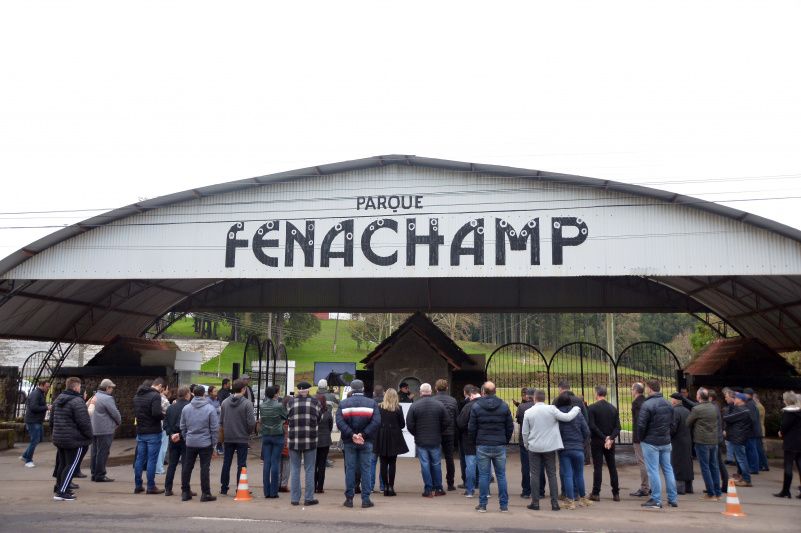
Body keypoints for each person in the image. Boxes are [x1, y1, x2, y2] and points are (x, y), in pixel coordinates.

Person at [522, 389, 580, 512]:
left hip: (534, 447)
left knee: (534, 474)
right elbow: (567, 417)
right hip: (550, 447)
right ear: (544, 398)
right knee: (552, 474)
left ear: (534, 398)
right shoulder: (552, 409)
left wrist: (527, 445)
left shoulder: (528, 412)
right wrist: (576, 408)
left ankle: (535, 502)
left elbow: (525, 432)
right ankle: (554, 503)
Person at [469, 381, 514, 513]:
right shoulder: (504, 406)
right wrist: (504, 439)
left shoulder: (476, 406)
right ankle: (504, 505)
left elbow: (472, 428)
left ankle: (483, 505)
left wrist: (475, 442)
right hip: (499, 444)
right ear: (495, 391)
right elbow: (509, 426)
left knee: (484, 476)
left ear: (483, 392)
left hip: (482, 444)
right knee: (501, 475)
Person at [336, 379, 381, 508]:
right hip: (366, 441)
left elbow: (340, 422)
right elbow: (376, 421)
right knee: (366, 469)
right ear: (362, 388)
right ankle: (366, 499)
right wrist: (363, 434)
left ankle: (349, 499)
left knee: (350, 469)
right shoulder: (371, 403)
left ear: (351, 388)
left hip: (349, 441)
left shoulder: (343, 403)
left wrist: (352, 434)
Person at [637, 378, 678, 510]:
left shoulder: (647, 405)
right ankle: (672, 498)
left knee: (653, 470)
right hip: (665, 441)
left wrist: (642, 438)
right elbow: (673, 424)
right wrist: (667, 435)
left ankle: (656, 499)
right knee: (668, 469)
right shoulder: (668, 404)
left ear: (649, 388)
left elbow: (641, 425)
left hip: (651, 442)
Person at [51, 377, 93, 501]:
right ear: (75, 387)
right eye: (79, 387)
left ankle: (60, 486)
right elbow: (84, 422)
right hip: (74, 439)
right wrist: (89, 435)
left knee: (62, 464)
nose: (80, 389)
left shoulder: (58, 399)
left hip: (59, 438)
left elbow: (52, 420)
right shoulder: (77, 401)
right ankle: (62, 492)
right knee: (71, 465)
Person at [406, 382, 449, 497]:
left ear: (420, 392)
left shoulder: (415, 405)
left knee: (425, 464)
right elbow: (446, 421)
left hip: (421, 440)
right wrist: (439, 431)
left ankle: (428, 489)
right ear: (431, 392)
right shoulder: (439, 405)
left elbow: (409, 424)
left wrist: (416, 434)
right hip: (435, 438)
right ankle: (438, 488)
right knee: (436, 463)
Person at [179, 384, 219, 502]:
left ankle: (185, 492)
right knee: (205, 468)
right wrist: (214, 444)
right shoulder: (210, 408)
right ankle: (205, 493)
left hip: (191, 442)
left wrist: (187, 438)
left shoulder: (186, 408)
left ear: (193, 394)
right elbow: (214, 429)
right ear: (204, 394)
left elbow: (183, 426)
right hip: (205, 442)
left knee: (187, 466)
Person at [287, 381, 322, 506]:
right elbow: (318, 418)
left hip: (294, 439)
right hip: (310, 439)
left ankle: (295, 499)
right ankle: (308, 498)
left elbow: (288, 417)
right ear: (309, 390)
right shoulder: (315, 402)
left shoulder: (290, 402)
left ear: (298, 390)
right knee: (309, 469)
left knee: (295, 469)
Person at [219, 379, 256, 496]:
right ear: (244, 390)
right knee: (241, 463)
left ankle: (224, 488)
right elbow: (251, 422)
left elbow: (221, 421)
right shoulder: (247, 403)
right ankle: (240, 487)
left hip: (228, 436)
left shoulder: (224, 402)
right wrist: (247, 432)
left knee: (226, 462)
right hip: (242, 437)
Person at [685, 387, 722, 501]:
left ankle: (710, 493)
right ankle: (717, 492)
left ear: (699, 397)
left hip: (702, 441)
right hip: (713, 440)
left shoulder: (697, 409)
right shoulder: (714, 407)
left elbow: (687, 423)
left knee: (705, 467)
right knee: (714, 466)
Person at [555, 391, 591, 509]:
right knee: (579, 474)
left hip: (564, 448)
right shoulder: (578, 414)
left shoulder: (558, 415)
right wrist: (581, 442)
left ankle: (570, 501)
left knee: (568, 475)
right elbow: (586, 432)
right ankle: (583, 499)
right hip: (578, 447)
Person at [133, 377, 166, 495]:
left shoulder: (137, 396)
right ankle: (151, 486)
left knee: (139, 459)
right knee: (152, 460)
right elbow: (156, 413)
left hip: (141, 431)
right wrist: (164, 415)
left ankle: (138, 485)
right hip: (153, 431)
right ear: (159, 386)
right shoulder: (155, 396)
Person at [587, 385, 621, 502]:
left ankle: (596, 493)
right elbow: (618, 427)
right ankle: (616, 493)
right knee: (612, 466)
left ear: (596, 394)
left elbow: (592, 426)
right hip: (610, 442)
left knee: (598, 467)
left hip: (597, 441)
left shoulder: (592, 408)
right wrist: (610, 438)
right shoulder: (613, 408)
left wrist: (603, 437)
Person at [375, 388, 409, 496]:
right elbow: (402, 424)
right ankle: (391, 487)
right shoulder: (398, 408)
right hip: (394, 435)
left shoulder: (379, 407)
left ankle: (385, 487)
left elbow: (376, 422)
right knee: (392, 463)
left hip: (382, 435)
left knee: (383, 463)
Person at [89, 379, 121, 483]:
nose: (112, 390)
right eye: (111, 388)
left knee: (94, 452)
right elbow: (114, 413)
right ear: (107, 388)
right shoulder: (107, 398)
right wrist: (118, 422)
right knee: (103, 452)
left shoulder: (94, 396)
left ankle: (94, 473)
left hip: (93, 429)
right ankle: (100, 475)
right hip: (105, 429)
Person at [260, 385, 288, 498]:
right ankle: (274, 491)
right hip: (277, 435)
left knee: (267, 462)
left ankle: (266, 491)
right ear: (275, 394)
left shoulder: (262, 406)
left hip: (266, 434)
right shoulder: (279, 405)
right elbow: (285, 416)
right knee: (275, 462)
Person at [163, 386, 191, 496]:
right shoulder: (189, 407)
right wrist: (179, 434)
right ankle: (185, 489)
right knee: (186, 465)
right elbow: (189, 424)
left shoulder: (170, 408)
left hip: (173, 439)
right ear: (187, 394)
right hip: (185, 439)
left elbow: (165, 424)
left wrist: (171, 434)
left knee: (172, 465)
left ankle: (168, 489)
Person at [433, 378, 459, 491]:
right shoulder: (453, 400)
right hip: (449, 432)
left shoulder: (433, 400)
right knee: (449, 458)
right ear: (447, 387)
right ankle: (450, 483)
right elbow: (457, 417)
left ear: (435, 388)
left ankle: (436, 483)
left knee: (435, 458)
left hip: (436, 432)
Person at [723, 391, 753, 487]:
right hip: (738, 437)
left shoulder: (742, 410)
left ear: (740, 400)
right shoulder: (743, 409)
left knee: (741, 459)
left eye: (735, 398)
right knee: (740, 458)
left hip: (738, 437)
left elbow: (727, 417)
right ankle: (743, 477)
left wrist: (730, 406)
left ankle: (747, 479)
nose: (734, 400)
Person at [775, 391, 801, 498]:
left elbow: (785, 425)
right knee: (800, 465)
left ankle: (786, 490)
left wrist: (781, 431)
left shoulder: (789, 412)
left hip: (791, 442)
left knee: (788, 466)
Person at [457, 385, 481, 498]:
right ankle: (486, 491)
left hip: (469, 440)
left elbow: (461, 423)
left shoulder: (468, 406)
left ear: (470, 395)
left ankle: (470, 490)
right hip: (485, 440)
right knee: (484, 466)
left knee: (470, 465)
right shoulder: (488, 405)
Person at [21, 380, 50, 468]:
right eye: (47, 386)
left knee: (39, 439)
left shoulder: (40, 393)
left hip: (37, 420)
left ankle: (25, 456)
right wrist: (46, 407)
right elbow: (33, 407)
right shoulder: (36, 394)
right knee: (35, 440)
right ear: (41, 385)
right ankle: (28, 460)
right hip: (33, 421)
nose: (48, 388)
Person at [669, 392, 694, 495]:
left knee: (678, 463)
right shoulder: (687, 411)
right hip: (687, 440)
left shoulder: (675, 411)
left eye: (671, 400)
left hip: (677, 441)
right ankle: (689, 487)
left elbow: (673, 428)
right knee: (688, 463)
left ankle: (680, 488)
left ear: (675, 401)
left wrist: (668, 434)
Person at [629, 382, 650, 497]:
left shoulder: (636, 403)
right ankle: (649, 486)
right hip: (648, 436)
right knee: (649, 462)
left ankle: (644, 487)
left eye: (632, 389)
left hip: (639, 437)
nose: (631, 391)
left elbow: (638, 422)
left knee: (642, 462)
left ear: (636, 390)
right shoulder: (646, 401)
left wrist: (638, 437)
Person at [515, 388, 536, 498]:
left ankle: (526, 490)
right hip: (537, 439)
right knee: (538, 466)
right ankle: (540, 490)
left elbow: (518, 420)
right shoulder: (540, 406)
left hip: (525, 439)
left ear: (527, 396)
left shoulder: (521, 407)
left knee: (526, 466)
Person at [743, 388, 768, 473]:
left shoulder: (750, 404)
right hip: (754, 431)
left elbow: (752, 419)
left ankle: (754, 467)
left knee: (753, 449)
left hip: (752, 431)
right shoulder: (752, 404)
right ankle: (755, 467)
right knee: (754, 449)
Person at [314, 392, 334, 494]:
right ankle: (320, 487)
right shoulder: (328, 413)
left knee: (314, 464)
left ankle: (313, 486)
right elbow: (330, 427)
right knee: (322, 464)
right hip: (325, 440)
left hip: (314, 440)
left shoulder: (312, 413)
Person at [156, 387, 171, 475]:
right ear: (162, 389)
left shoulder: (154, 397)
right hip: (163, 425)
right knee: (163, 447)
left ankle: (156, 467)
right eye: (167, 388)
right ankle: (159, 468)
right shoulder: (163, 399)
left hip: (156, 426)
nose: (168, 391)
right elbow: (169, 411)